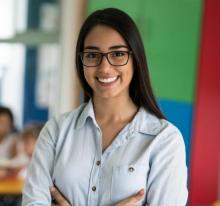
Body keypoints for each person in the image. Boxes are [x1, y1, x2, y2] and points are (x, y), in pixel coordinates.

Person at [22, 8, 188, 206]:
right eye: (92, 55)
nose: (104, 68)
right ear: (81, 61)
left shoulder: (164, 140)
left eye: (117, 54)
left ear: (136, 60)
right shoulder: (56, 132)